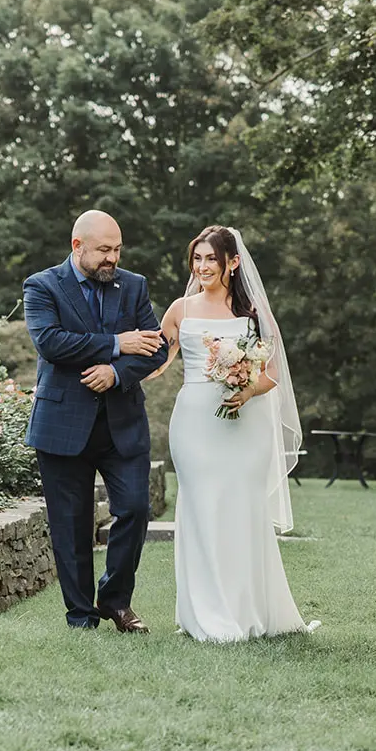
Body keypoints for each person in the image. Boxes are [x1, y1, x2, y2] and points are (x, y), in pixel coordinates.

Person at [148, 225, 318, 642]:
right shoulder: (180, 310)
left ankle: (249, 610)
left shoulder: (253, 315)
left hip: (245, 426)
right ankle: (206, 615)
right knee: (202, 509)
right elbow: (156, 362)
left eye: (210, 259)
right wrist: (117, 372)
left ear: (232, 263)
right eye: (197, 258)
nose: (202, 267)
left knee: (242, 512)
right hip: (193, 425)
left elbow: (272, 374)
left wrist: (246, 390)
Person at [23, 210, 169, 632]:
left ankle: (115, 600)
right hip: (62, 424)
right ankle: (81, 616)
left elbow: (156, 350)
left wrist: (117, 372)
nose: (112, 259)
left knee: (136, 510)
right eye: (104, 250)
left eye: (117, 249)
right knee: (70, 526)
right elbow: (51, 343)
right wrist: (116, 344)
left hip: (122, 424)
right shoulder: (42, 286)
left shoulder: (134, 286)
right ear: (77, 246)